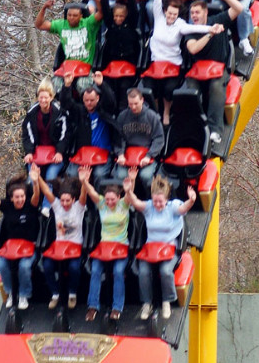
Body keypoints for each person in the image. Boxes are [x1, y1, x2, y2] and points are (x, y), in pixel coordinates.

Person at [149, 0, 222, 124]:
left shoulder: (180, 24)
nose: (171, 17)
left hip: (172, 64)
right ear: (165, 11)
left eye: (174, 15)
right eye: (169, 13)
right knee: (152, 87)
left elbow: (195, 28)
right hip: (156, 63)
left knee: (168, 88)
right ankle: (156, 112)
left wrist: (211, 28)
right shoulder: (159, 18)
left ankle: (166, 113)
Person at [128, 175, 196, 320]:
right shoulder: (149, 207)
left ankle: (167, 301)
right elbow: (136, 202)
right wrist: (129, 191)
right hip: (151, 248)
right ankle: (147, 303)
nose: (157, 204)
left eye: (160, 202)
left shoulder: (173, 207)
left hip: (169, 248)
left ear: (166, 199)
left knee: (165, 271)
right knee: (143, 271)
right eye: (155, 201)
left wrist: (191, 200)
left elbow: (183, 209)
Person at [186, 0, 245, 144]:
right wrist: (209, 34)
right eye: (192, 13)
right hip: (198, 71)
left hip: (218, 69)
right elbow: (192, 48)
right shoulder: (191, 29)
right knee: (189, 91)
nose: (194, 16)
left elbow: (239, 8)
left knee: (216, 87)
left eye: (197, 12)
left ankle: (215, 130)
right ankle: (194, 126)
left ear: (205, 12)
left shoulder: (217, 19)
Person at [0, 166, 41, 310]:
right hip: (10, 248)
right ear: (12, 198)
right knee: (2, 264)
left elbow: (36, 196)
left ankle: (24, 295)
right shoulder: (7, 206)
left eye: (22, 196)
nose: (20, 200)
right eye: (17, 197)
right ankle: (11, 293)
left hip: (28, 248)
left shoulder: (30, 206)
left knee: (24, 267)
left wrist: (36, 182)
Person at [81, 167, 136, 322]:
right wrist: (84, 180)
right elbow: (91, 192)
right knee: (96, 270)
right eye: (108, 199)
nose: (110, 202)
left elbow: (129, 195)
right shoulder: (102, 205)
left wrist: (131, 181)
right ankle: (93, 306)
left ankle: (117, 308)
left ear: (118, 198)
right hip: (104, 246)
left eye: (113, 199)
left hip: (120, 245)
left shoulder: (123, 206)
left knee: (118, 272)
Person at [38, 172, 88, 310]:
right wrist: (38, 178)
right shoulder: (57, 207)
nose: (65, 204)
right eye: (62, 200)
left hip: (74, 246)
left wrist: (84, 182)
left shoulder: (79, 207)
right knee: (46, 265)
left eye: (68, 201)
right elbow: (47, 191)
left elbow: (84, 195)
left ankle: (72, 293)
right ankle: (55, 293)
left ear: (73, 200)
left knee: (74, 268)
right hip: (59, 246)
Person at [59, 69, 117, 186]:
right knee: (72, 174)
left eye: (91, 100)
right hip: (83, 154)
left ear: (97, 99)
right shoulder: (79, 111)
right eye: (86, 100)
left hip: (103, 153)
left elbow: (111, 101)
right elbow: (66, 104)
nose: (89, 103)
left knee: (99, 175)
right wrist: (67, 85)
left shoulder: (104, 111)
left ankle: (96, 203)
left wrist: (101, 84)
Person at [22, 78, 69, 214]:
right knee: (32, 179)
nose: (43, 101)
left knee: (50, 176)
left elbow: (64, 135)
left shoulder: (60, 113)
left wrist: (60, 152)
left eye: (46, 98)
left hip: (55, 154)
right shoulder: (31, 114)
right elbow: (27, 135)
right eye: (41, 98)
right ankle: (31, 206)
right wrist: (29, 152)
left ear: (51, 97)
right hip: (38, 154)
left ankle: (47, 206)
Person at [114, 88, 165, 191]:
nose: (133, 107)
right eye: (130, 104)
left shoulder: (152, 116)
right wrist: (120, 154)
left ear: (142, 100)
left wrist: (149, 155)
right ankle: (125, 203)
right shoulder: (122, 116)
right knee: (120, 175)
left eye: (136, 103)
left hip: (147, 156)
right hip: (127, 156)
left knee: (146, 176)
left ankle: (149, 201)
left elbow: (159, 138)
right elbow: (118, 138)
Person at [35, 0, 102, 69]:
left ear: (81, 16)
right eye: (69, 15)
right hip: (68, 67)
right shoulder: (61, 24)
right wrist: (44, 8)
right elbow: (40, 25)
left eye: (75, 15)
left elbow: (101, 13)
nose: (71, 18)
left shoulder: (88, 23)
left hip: (85, 67)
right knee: (55, 80)